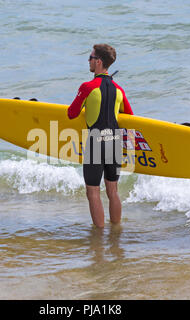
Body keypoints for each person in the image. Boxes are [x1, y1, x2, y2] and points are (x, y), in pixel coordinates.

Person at [67, 44, 134, 228]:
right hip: (115, 141)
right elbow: (129, 114)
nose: (88, 61)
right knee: (113, 190)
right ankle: (116, 232)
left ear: (98, 62)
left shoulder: (87, 86)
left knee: (93, 191)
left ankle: (98, 237)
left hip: (96, 141)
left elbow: (72, 113)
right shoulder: (118, 89)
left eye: (90, 57)